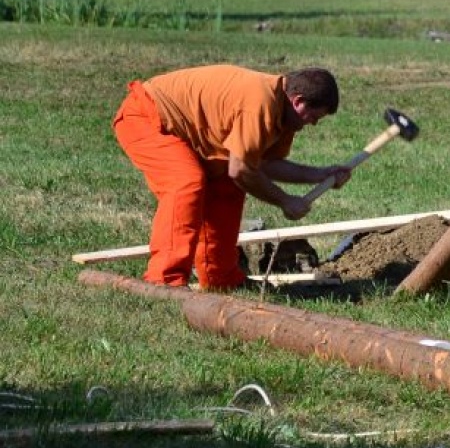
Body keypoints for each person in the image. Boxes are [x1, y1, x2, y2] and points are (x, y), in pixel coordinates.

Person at [112, 65, 350, 290]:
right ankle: (164, 280)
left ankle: (221, 278)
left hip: (187, 134)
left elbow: (265, 163)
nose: (313, 123)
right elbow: (241, 170)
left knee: (226, 186)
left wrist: (321, 174)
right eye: (314, 117)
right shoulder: (260, 104)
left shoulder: (284, 116)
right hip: (145, 117)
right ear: (298, 101)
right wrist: (284, 200)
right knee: (186, 182)